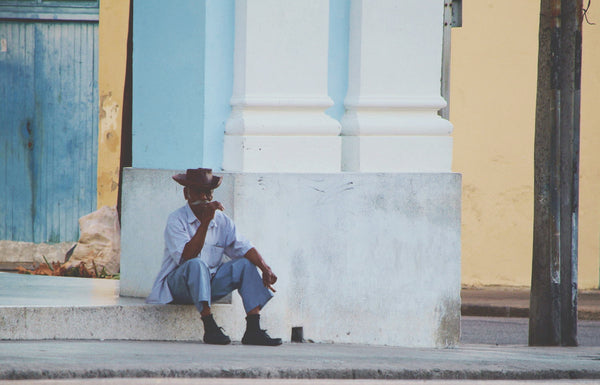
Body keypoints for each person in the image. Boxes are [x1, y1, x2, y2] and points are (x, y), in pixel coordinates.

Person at [146, 168, 282, 346]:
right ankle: (209, 326)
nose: (203, 198)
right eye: (198, 192)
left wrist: (265, 268)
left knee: (245, 264)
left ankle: (253, 329)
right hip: (179, 287)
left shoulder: (222, 221)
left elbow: (243, 246)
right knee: (197, 264)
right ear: (186, 193)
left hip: (209, 285)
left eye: (207, 193)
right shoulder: (176, 220)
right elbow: (187, 257)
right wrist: (205, 223)